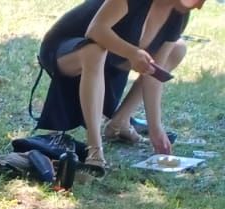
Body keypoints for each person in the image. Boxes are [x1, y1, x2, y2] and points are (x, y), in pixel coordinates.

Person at [37, 0, 204, 174]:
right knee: (94, 51)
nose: (199, 6)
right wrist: (132, 53)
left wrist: (156, 128)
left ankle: (119, 122)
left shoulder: (179, 14)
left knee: (178, 48)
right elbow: (95, 30)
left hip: (110, 56)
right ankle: (94, 150)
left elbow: (154, 74)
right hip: (64, 49)